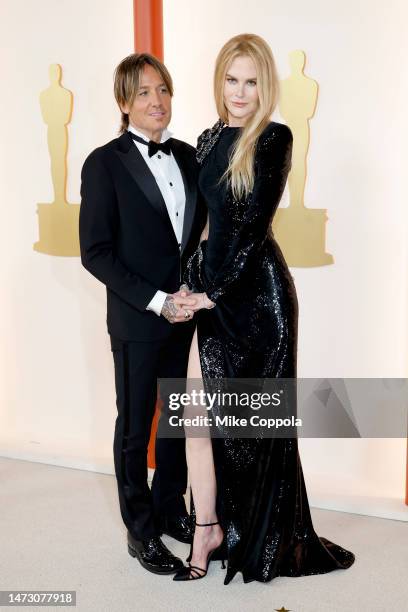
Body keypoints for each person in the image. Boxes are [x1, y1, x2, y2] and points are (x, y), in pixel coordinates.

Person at [172, 34, 356, 584]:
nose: (240, 92)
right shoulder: (207, 140)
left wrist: (213, 292)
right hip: (213, 293)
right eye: (232, 79)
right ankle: (207, 526)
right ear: (220, 81)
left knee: (259, 428)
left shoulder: (274, 138)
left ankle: (263, 531)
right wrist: (188, 286)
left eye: (251, 81)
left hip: (260, 301)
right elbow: (203, 226)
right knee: (198, 421)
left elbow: (251, 230)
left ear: (266, 85)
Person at [79, 53, 205, 575]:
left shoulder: (190, 155)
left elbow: (199, 235)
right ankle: (140, 528)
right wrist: (158, 301)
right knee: (135, 427)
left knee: (177, 420)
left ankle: (170, 506)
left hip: (188, 316)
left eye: (163, 90)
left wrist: (193, 293)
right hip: (138, 318)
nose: (157, 101)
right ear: (124, 103)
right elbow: (95, 252)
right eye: (144, 93)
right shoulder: (103, 162)